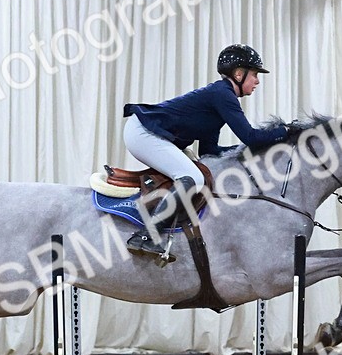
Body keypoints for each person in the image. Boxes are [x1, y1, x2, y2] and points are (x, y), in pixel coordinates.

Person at [121, 44, 295, 262]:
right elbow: (250, 137)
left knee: (195, 173)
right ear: (239, 74)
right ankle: (146, 236)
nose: (258, 81)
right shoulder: (223, 94)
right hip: (143, 132)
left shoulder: (219, 98)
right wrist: (286, 132)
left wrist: (241, 152)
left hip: (147, 131)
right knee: (192, 177)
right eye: (255, 74)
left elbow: (209, 152)